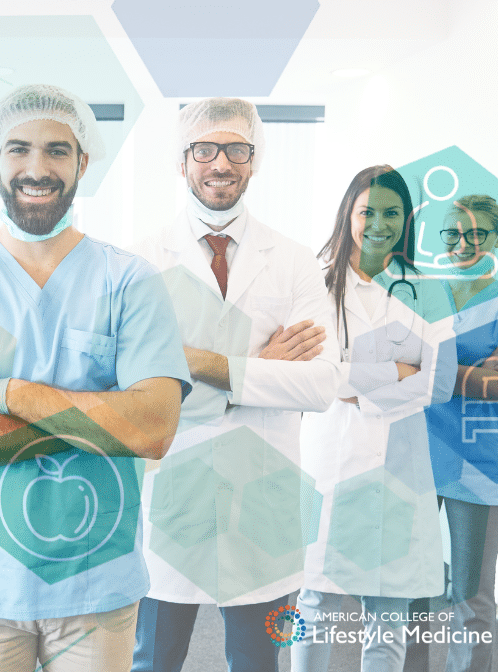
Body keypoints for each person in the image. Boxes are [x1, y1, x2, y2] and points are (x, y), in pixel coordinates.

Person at [0, 83, 191, 672]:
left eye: (57, 150)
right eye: (19, 149)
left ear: (83, 161)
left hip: (94, 572)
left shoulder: (130, 281)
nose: (37, 167)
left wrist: (7, 392)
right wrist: (100, 421)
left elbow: (153, 428)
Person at [131, 97, 342, 672]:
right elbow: (135, 389)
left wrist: (197, 363)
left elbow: (321, 385)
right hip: (174, 492)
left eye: (236, 149)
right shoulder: (143, 261)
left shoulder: (297, 262)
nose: (220, 162)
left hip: (264, 498)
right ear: (182, 162)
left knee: (257, 663)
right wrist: (262, 367)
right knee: (153, 660)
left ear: (254, 161)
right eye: (205, 149)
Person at [291, 166, 456, 672]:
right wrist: (396, 372)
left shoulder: (425, 289)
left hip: (399, 469)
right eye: (368, 211)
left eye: (391, 212)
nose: (379, 223)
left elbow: (440, 382)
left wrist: (356, 381)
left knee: (388, 613)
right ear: (349, 214)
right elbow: (316, 376)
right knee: (316, 604)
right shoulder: (316, 283)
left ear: (407, 220)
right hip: (328, 462)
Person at [404, 195, 498, 672]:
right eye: (453, 233)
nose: (464, 243)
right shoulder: (416, 295)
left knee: (471, 596)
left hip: (480, 463)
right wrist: (472, 371)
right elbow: (387, 370)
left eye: (477, 234)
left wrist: (425, 370)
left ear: (497, 239)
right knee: (409, 587)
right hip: (413, 456)